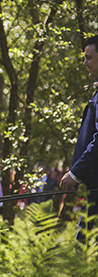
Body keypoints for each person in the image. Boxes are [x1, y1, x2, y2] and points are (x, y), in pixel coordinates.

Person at [60, 35, 98, 239]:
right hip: (92, 192)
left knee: (84, 255)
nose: (85, 63)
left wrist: (75, 174)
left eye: (89, 57)